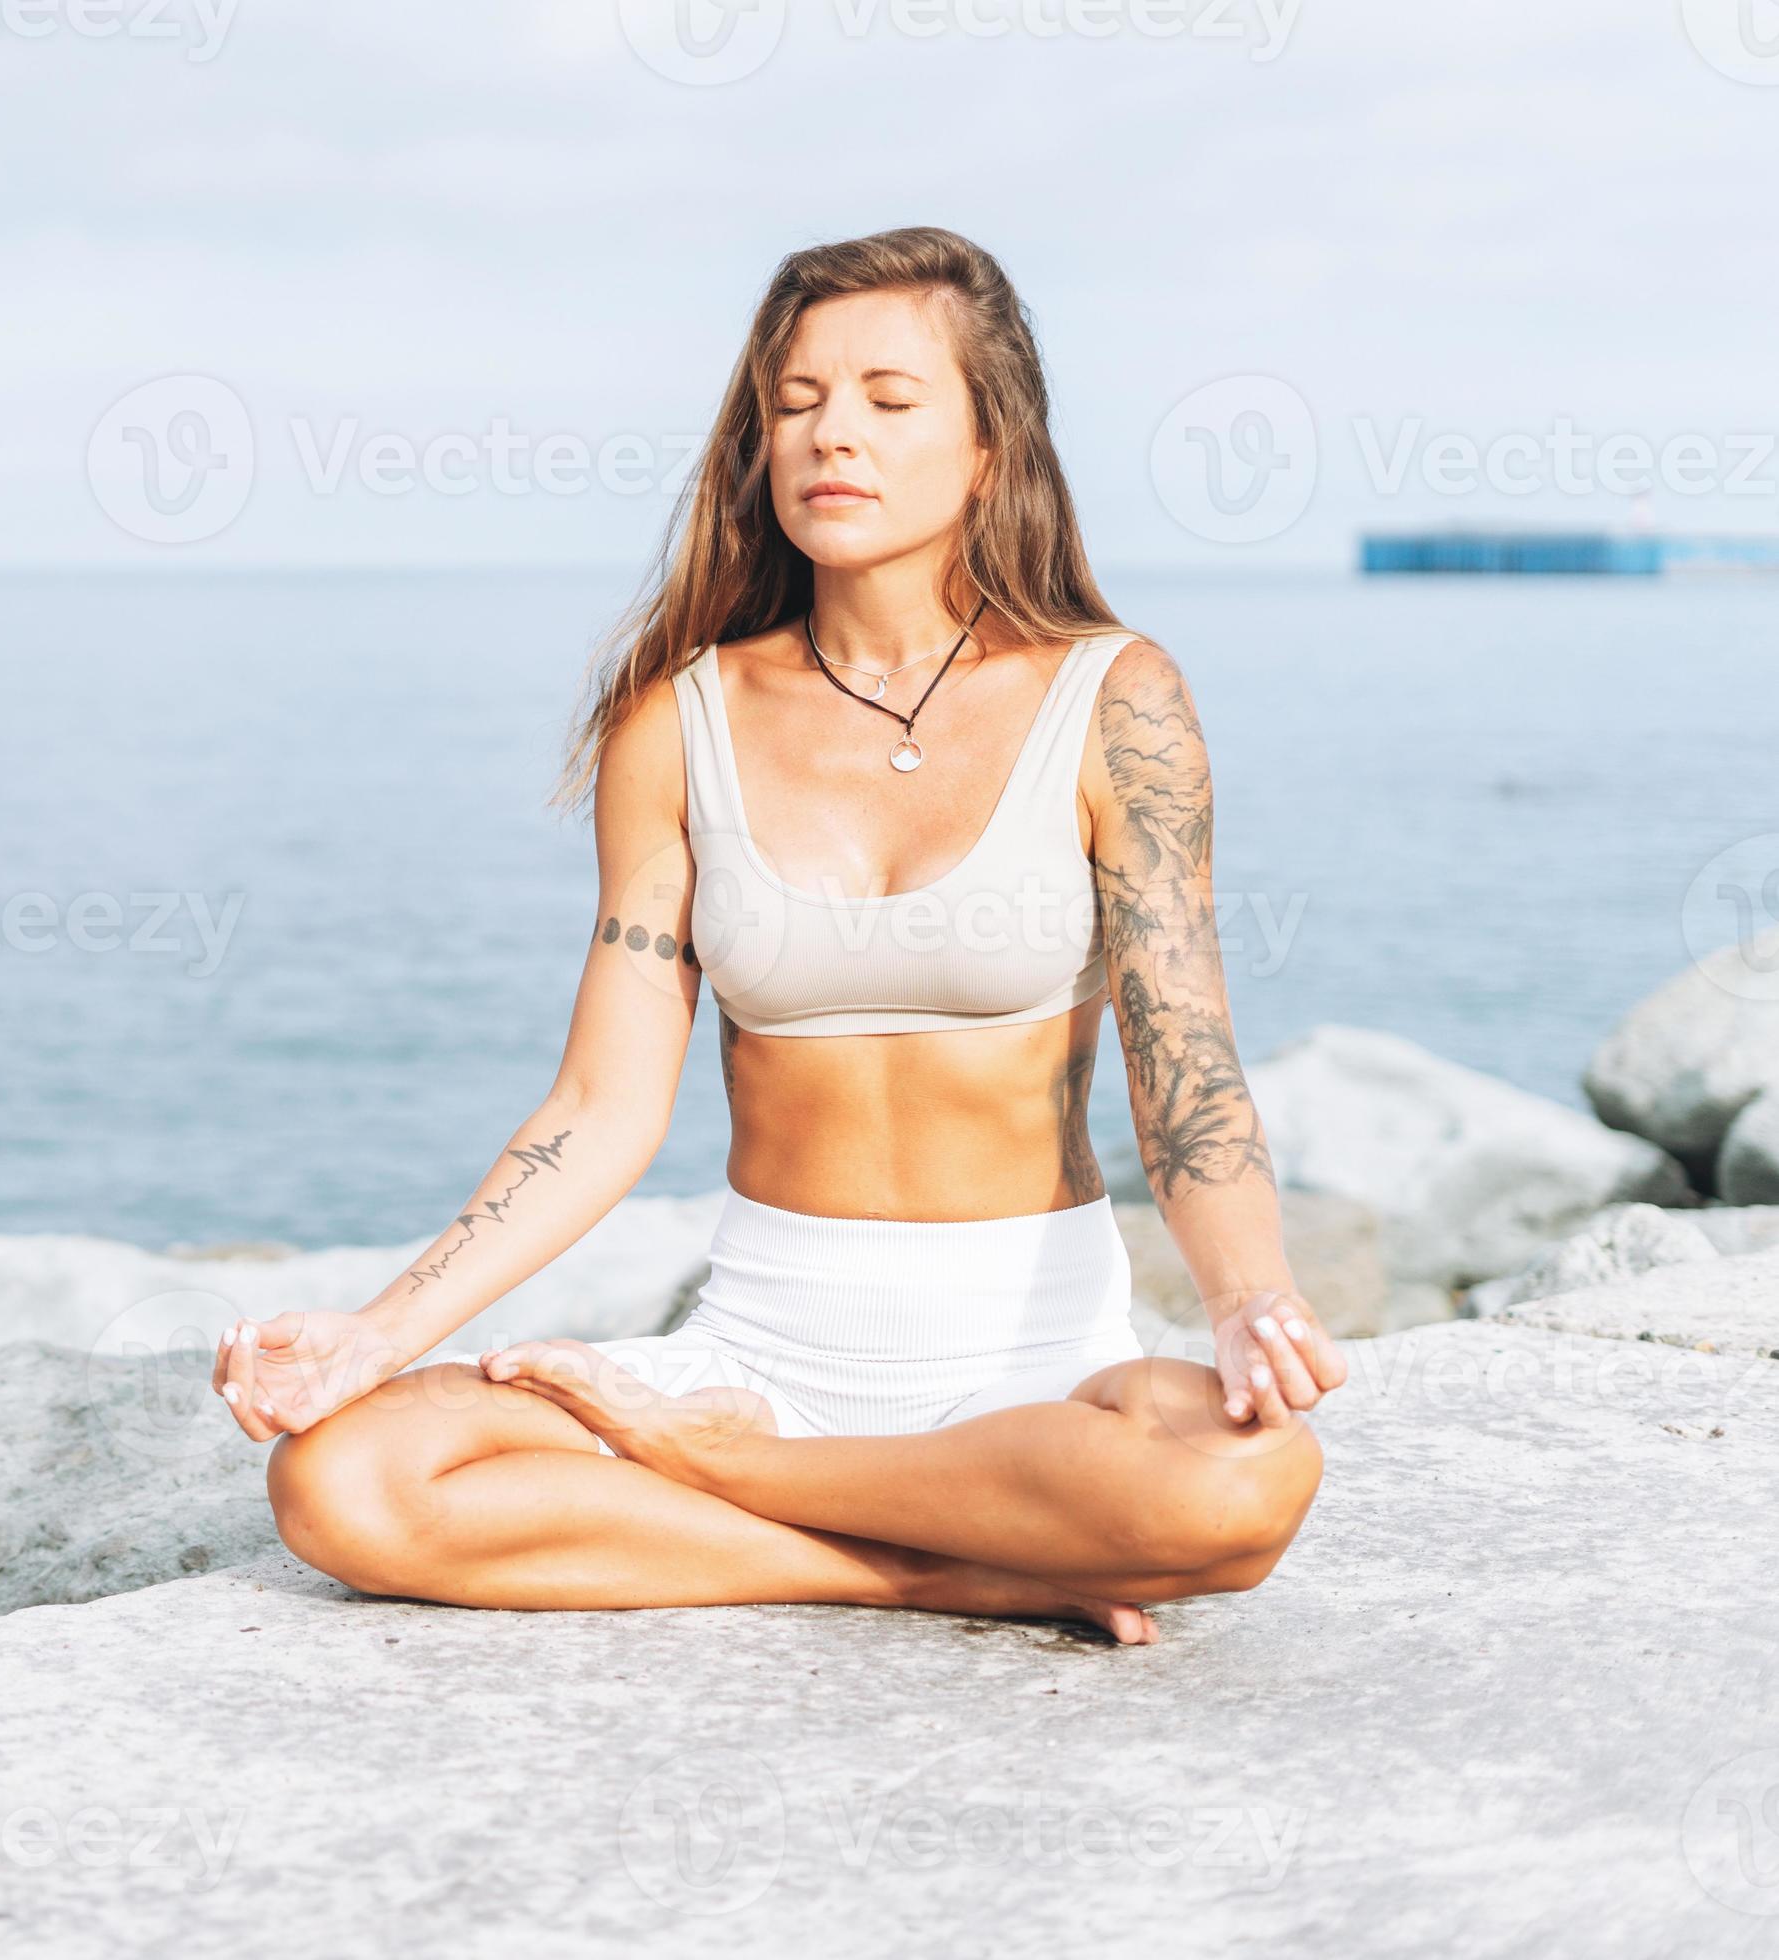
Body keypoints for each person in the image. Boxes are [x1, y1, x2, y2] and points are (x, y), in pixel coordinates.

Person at [209, 227, 1339, 1645]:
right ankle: (935, 1569)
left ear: (994, 444)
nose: (831, 436)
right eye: (795, 403)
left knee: (1248, 1487)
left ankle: (757, 1488)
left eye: (887, 398)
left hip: (1033, 1370)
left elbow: (1188, 1065)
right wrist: (376, 1337)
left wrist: (1249, 1298)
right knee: (345, 1482)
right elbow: (602, 1108)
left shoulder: (1116, 698)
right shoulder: (676, 723)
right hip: (763, 1348)